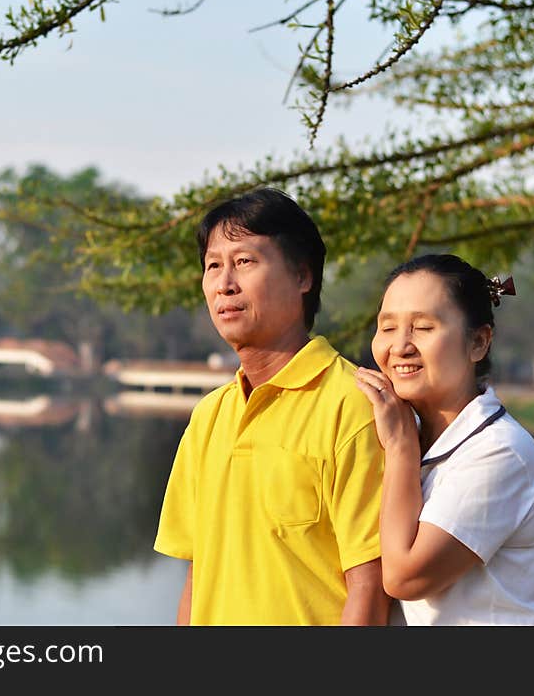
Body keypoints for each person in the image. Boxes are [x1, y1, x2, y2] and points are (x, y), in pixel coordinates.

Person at [153, 187, 390, 625]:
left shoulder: (353, 406)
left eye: (244, 262)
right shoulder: (209, 417)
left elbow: (371, 587)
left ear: (303, 276)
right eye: (213, 266)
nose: (225, 283)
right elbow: (196, 576)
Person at [354, 253, 534, 625]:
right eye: (387, 327)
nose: (400, 346)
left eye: (424, 327)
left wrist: (400, 448)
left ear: (478, 342)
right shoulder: (403, 432)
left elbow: (404, 576)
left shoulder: (500, 451)